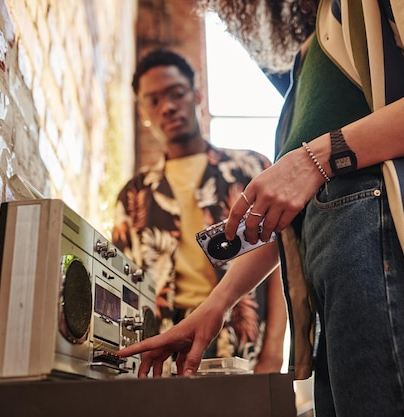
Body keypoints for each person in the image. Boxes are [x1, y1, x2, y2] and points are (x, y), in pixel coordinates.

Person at [119, 1, 404, 416]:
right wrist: (216, 305)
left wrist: (316, 158)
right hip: (336, 297)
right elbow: (286, 218)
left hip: (397, 269)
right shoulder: (306, 59)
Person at [111, 48, 286, 375]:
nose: (168, 106)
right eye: (154, 101)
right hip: (166, 347)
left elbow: (281, 262)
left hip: (243, 341)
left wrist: (274, 352)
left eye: (176, 93)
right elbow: (125, 284)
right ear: (143, 112)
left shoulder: (252, 169)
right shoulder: (133, 195)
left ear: (197, 94)